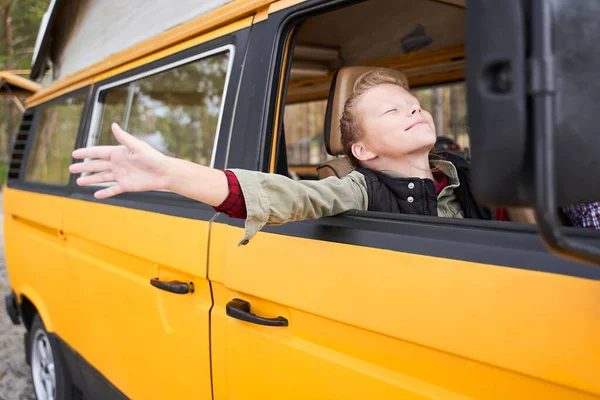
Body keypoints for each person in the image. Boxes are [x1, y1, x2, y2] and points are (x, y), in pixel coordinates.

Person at [69, 69, 491, 245]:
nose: (414, 109)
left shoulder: (471, 171)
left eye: (414, 103)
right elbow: (292, 196)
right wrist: (168, 172)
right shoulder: (361, 188)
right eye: (392, 110)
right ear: (363, 150)